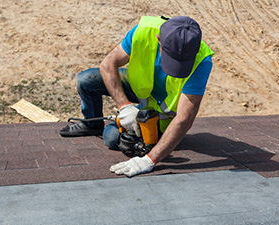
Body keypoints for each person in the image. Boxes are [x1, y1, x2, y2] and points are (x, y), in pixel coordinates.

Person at [60, 15, 214, 177]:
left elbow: (184, 118)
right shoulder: (144, 31)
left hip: (162, 114)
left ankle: (154, 137)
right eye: (171, 59)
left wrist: (149, 160)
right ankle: (92, 125)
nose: (175, 69)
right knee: (86, 80)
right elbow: (108, 64)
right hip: (141, 88)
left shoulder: (202, 61)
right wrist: (124, 107)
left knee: (111, 138)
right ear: (159, 40)